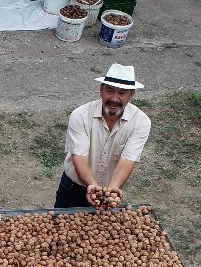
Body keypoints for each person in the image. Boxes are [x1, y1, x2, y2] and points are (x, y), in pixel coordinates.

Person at [56, 63, 150, 208]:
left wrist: (112, 189)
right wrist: (93, 185)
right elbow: (79, 157)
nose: (114, 98)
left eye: (122, 93)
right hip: (73, 187)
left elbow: (127, 160)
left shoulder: (141, 122)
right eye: (110, 91)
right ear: (101, 90)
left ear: (132, 94)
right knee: (60, 224)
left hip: (108, 190)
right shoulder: (80, 115)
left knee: (103, 228)